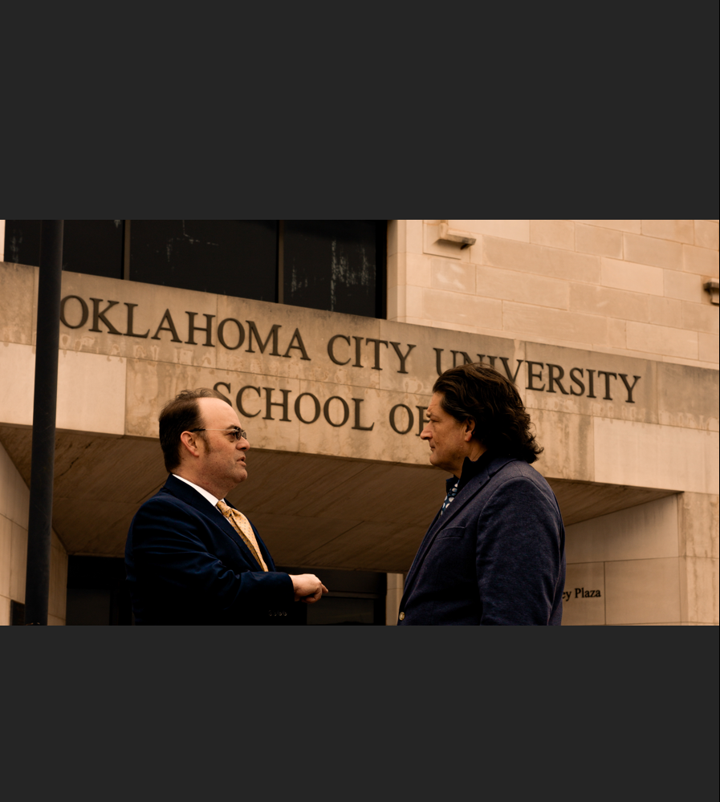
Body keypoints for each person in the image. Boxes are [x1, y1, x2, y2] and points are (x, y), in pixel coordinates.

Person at [125, 388, 328, 624]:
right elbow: (215, 590)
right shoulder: (160, 515)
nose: (245, 444)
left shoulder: (230, 516)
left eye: (242, 434)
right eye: (233, 434)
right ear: (192, 442)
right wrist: (291, 584)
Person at [397, 363, 566, 625]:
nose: (424, 433)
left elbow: (514, 622)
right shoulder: (473, 488)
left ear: (468, 427)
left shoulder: (516, 492)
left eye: (433, 420)